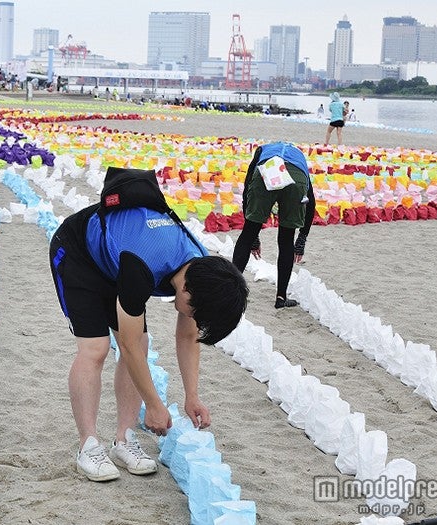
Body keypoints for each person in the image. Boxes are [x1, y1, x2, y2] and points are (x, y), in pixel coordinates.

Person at [49, 171, 249, 481]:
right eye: (197, 313)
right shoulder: (141, 268)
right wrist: (154, 405)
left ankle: (124, 439)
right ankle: (88, 445)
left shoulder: (200, 267)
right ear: (187, 291)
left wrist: (192, 395)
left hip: (116, 258)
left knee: (141, 345)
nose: (194, 319)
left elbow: (188, 336)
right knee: (96, 348)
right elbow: (127, 346)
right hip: (78, 254)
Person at [232, 142, 315, 309]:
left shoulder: (263, 150)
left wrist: (253, 234)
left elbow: (248, 188)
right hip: (295, 178)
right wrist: (302, 237)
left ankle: (230, 290)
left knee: (247, 234)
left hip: (267, 171)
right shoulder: (298, 157)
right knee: (286, 239)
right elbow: (311, 200)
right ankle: (281, 297)